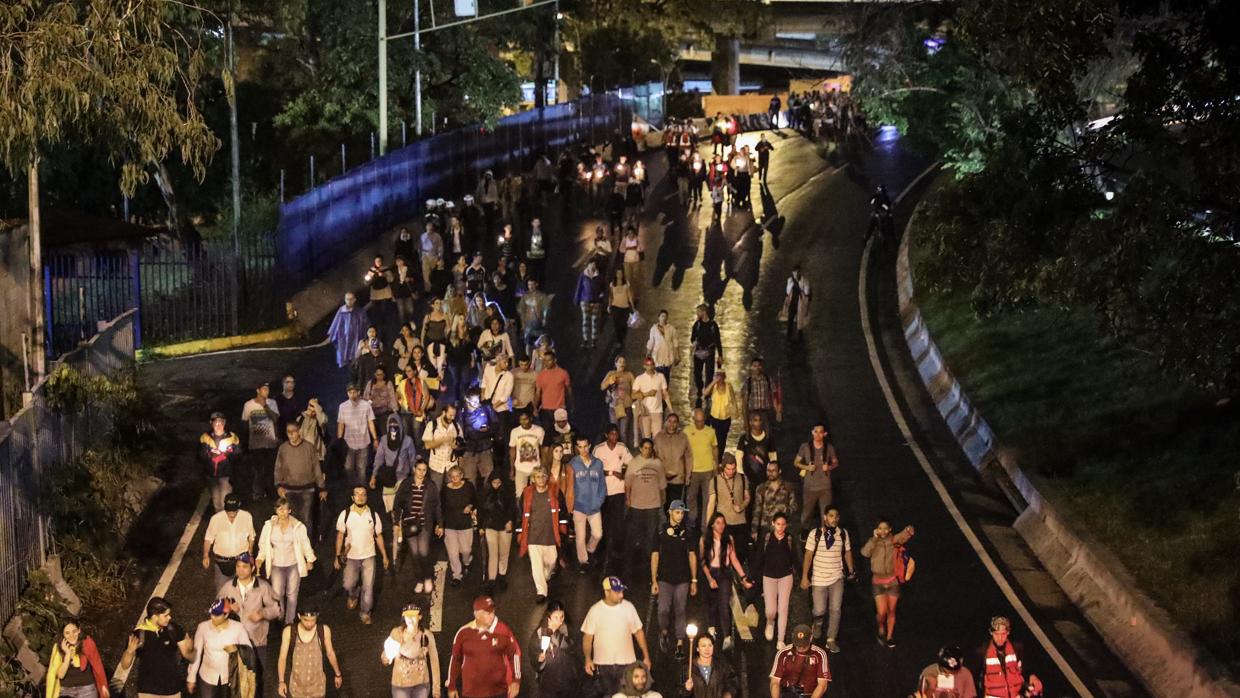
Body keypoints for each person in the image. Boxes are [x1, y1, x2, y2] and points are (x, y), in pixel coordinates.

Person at [216, 552, 281, 692]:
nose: (240, 570)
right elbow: (215, 610)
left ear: (252, 569)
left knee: (257, 678)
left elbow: (277, 609)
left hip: (257, 642)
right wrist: (227, 609)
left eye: (245, 567)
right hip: (235, 643)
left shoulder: (263, 587)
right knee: (234, 680)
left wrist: (262, 613)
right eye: (238, 566)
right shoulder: (228, 587)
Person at [581, 577, 651, 697]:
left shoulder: (629, 607)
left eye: (622, 591)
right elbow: (587, 638)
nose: (621, 595)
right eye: (617, 592)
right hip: (603, 665)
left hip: (626, 663)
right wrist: (588, 658)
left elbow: (638, 632)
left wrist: (646, 656)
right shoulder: (595, 610)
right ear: (607, 592)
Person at [801, 506, 854, 654]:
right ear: (825, 517)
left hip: (837, 577)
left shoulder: (842, 534)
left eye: (836, 516)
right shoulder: (815, 534)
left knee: (835, 609)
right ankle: (817, 623)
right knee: (819, 609)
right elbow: (808, 555)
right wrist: (805, 576)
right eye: (831, 515)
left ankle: (831, 639)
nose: (834, 518)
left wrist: (851, 570)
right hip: (818, 579)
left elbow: (847, 552)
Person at [256, 498, 317, 624]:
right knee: (277, 593)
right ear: (276, 511)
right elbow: (263, 544)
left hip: (293, 564)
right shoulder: (269, 526)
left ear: (290, 510)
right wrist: (260, 558)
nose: (283, 512)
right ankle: (280, 616)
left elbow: (305, 543)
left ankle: (289, 621)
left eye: (285, 509)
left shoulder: (297, 526)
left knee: (292, 594)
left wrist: (309, 559)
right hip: (276, 564)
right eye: (280, 509)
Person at [334, 486, 390, 624]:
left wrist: (384, 555)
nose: (360, 497)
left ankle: (365, 612)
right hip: (351, 557)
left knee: (369, 586)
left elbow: (378, 536)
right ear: (352, 497)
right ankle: (353, 595)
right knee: (348, 584)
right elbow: (340, 536)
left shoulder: (373, 515)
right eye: (357, 494)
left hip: (369, 556)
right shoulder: (345, 514)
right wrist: (337, 556)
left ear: (366, 497)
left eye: (363, 494)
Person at [447, 596, 521, 698]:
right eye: (487, 613)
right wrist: (452, 686)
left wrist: (516, 680)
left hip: (498, 692)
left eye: (493, 612)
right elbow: (455, 659)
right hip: (471, 693)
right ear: (476, 614)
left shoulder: (503, 631)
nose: (492, 616)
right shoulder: (463, 632)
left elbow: (514, 655)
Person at [119, 597, 194, 698]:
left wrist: (194, 646)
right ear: (155, 617)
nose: (169, 617)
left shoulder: (173, 629)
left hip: (172, 690)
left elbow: (188, 654)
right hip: (148, 692)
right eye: (166, 615)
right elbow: (124, 665)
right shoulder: (139, 634)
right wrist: (129, 651)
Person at [699, 512, 753, 651]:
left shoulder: (728, 539)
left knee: (724, 604)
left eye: (723, 523)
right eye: (718, 522)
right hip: (710, 573)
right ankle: (711, 629)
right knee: (712, 604)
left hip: (724, 573)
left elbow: (733, 558)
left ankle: (727, 636)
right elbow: (703, 562)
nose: (721, 525)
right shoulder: (705, 539)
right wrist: (710, 579)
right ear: (712, 524)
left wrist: (743, 577)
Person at [517, 466, 570, 602]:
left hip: (551, 536)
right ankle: (541, 592)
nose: (541, 479)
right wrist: (519, 531)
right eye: (537, 477)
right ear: (533, 479)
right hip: (533, 537)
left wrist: (563, 528)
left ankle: (546, 576)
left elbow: (563, 511)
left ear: (547, 477)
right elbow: (520, 513)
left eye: (543, 476)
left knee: (551, 562)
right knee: (536, 565)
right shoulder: (527, 493)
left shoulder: (555, 492)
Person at [651, 501, 696, 658]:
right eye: (677, 512)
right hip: (665, 578)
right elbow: (655, 554)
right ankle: (663, 630)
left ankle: (679, 643)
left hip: (682, 578)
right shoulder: (661, 531)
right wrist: (654, 580)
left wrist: (694, 580)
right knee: (663, 610)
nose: (680, 515)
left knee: (680, 609)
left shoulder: (687, 532)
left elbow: (692, 555)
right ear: (670, 512)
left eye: (682, 513)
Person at [860, 518, 915, 648]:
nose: (883, 531)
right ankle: (880, 627)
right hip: (877, 582)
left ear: (890, 529)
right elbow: (864, 552)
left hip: (892, 581)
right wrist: (874, 539)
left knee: (891, 610)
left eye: (885, 528)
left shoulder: (894, 540)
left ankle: (889, 636)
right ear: (876, 529)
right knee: (881, 612)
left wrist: (909, 530)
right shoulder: (873, 542)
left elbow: (904, 535)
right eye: (880, 528)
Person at [393, 458, 443, 593]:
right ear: (414, 469)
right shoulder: (406, 484)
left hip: (425, 523)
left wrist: (440, 524)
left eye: (424, 470)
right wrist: (396, 522)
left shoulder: (431, 485)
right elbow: (397, 503)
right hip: (409, 523)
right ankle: (419, 580)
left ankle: (427, 578)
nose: (421, 473)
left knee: (423, 551)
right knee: (414, 553)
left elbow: (437, 505)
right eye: (419, 469)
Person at [275, 600, 342, 698]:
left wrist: (338, 674)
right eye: (306, 620)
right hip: (297, 689)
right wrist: (281, 681)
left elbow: (330, 653)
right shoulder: (289, 632)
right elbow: (282, 658)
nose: (310, 624)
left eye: (313, 620)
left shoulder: (323, 630)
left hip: (317, 688)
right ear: (299, 616)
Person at [187, 598, 252, 698]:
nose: (213, 617)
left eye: (217, 615)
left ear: (226, 614)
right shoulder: (203, 627)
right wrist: (191, 677)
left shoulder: (238, 628)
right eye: (212, 614)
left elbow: (248, 652)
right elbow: (196, 653)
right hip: (208, 677)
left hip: (230, 677)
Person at [752, 514, 799, 649]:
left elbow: (795, 558)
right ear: (773, 523)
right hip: (769, 577)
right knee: (771, 610)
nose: (781, 527)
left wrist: (803, 576)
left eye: (783, 524)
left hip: (786, 576)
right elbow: (759, 558)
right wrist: (751, 577)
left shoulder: (789, 538)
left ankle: (780, 639)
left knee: (783, 608)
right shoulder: (767, 538)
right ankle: (770, 622)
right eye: (778, 524)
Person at [275, 422, 327, 541]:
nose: (291, 434)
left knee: (306, 519)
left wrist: (322, 487)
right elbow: (278, 468)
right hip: (289, 489)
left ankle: (306, 546)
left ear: (299, 431)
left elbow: (316, 468)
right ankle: (292, 546)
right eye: (288, 432)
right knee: (291, 518)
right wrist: (278, 485)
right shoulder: (283, 448)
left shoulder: (309, 447)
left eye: (294, 431)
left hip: (307, 489)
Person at [593, 425, 632, 572]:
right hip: (603, 490)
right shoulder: (599, 449)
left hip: (618, 490)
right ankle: (601, 549)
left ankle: (617, 551)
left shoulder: (622, 448)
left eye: (616, 435)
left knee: (618, 522)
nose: (614, 437)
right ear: (606, 435)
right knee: (603, 521)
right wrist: (611, 472)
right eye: (612, 434)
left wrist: (623, 473)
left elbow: (630, 463)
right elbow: (594, 468)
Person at [624, 438, 666, 574]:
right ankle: (633, 560)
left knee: (652, 533)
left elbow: (662, 484)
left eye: (650, 448)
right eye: (645, 447)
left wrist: (662, 500)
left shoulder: (657, 463)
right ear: (641, 449)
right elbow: (628, 484)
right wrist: (628, 499)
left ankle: (651, 561)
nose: (647, 450)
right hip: (637, 504)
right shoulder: (634, 463)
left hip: (653, 504)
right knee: (636, 532)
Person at [381, 603, 440, 698]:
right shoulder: (397, 633)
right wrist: (386, 658)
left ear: (420, 616)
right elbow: (386, 656)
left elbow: (434, 661)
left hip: (421, 684)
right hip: (400, 684)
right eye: (407, 615)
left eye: (413, 615)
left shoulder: (427, 636)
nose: (410, 618)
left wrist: (436, 689)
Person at [977, 617, 1042, 698]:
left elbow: (1025, 669)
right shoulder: (983, 652)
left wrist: (1032, 676)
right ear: (991, 632)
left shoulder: (1017, 648)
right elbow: (977, 679)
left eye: (1003, 634)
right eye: (996, 634)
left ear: (1008, 632)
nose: (1000, 638)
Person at [202, 493, 255, 591]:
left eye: (234, 510)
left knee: (243, 592)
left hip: (241, 561)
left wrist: (250, 553)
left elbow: (251, 537)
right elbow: (208, 538)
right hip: (222, 562)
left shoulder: (246, 517)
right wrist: (206, 555)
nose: (231, 513)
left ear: (239, 506)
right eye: (228, 510)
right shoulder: (216, 519)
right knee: (222, 593)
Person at [570, 436, 607, 570]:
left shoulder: (598, 463)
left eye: (585, 446)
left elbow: (602, 485)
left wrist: (599, 500)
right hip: (579, 506)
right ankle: (583, 561)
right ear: (576, 448)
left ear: (590, 446)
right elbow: (570, 486)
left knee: (598, 534)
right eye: (580, 447)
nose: (583, 449)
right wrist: (572, 503)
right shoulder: (573, 464)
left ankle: (589, 550)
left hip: (594, 506)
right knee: (580, 537)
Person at [46, 620, 108, 698]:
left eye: (74, 631)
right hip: (66, 691)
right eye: (67, 633)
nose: (72, 636)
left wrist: (103, 688)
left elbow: (98, 667)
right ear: (63, 634)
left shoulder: (87, 643)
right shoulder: (58, 648)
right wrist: (68, 654)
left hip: (87, 690)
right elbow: (60, 675)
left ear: (79, 630)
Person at [531, 601, 581, 698]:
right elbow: (533, 652)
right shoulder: (540, 633)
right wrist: (539, 658)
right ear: (549, 617)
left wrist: (557, 634)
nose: (560, 621)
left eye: (562, 617)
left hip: (567, 679)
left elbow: (572, 648)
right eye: (556, 618)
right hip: (548, 682)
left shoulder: (566, 629)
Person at [793, 424, 838, 530]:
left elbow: (836, 462)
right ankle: (804, 533)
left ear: (824, 434)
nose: (818, 434)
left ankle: (825, 537)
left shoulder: (829, 448)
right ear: (812, 432)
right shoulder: (805, 447)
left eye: (820, 432)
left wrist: (829, 467)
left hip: (825, 487)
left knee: (825, 515)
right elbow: (796, 462)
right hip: (810, 487)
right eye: (816, 431)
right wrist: (807, 467)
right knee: (807, 513)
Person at [371, 414, 417, 516]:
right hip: (389, 479)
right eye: (390, 425)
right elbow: (379, 459)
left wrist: (416, 478)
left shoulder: (407, 440)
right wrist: (373, 476)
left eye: (395, 425)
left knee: (402, 507)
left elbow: (412, 460)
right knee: (392, 508)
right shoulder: (383, 440)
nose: (393, 427)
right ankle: (395, 528)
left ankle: (400, 528)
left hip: (403, 478)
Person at [478, 470, 517, 593]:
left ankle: (501, 576)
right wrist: (480, 527)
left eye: (498, 482)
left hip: (505, 525)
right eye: (494, 482)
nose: (496, 485)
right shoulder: (485, 493)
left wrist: (510, 521)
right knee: (493, 553)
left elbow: (512, 508)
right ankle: (492, 579)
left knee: (504, 552)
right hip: (490, 525)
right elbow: (481, 511)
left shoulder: (508, 493)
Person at [241, 381, 281, 501]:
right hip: (256, 444)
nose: (266, 392)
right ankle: (258, 494)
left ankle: (271, 494)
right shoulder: (248, 405)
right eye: (264, 389)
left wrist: (265, 406)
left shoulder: (272, 403)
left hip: (270, 443)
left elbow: (275, 418)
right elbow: (244, 422)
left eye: (267, 389)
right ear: (258, 390)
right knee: (258, 470)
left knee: (270, 469)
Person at [704, 454, 750, 553]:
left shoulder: (742, 478)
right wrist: (708, 525)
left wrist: (742, 506)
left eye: (733, 469)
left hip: (740, 521)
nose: (731, 472)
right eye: (728, 469)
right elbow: (711, 504)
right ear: (723, 467)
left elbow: (747, 497)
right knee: (724, 552)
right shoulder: (715, 481)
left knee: (740, 551)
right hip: (724, 523)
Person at [768, 625, 830, 698]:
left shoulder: (820, 654)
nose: (800, 647)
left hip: (811, 694)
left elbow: (822, 685)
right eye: (797, 644)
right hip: (788, 694)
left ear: (810, 638)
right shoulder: (783, 653)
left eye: (803, 644)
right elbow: (775, 682)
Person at [441, 465, 478, 587]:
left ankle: (467, 561)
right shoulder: (445, 490)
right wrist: (440, 524)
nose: (455, 479)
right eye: (453, 477)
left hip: (465, 523)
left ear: (462, 476)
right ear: (449, 477)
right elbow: (440, 508)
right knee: (453, 553)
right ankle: (457, 575)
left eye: (458, 476)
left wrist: (470, 506)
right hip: (450, 525)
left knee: (465, 550)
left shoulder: (468, 486)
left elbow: (475, 500)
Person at [337, 383, 378, 489]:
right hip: (348, 442)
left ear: (359, 392)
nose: (352, 395)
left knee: (361, 470)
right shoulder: (343, 406)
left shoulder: (366, 405)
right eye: (350, 393)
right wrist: (339, 441)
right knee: (348, 468)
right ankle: (352, 491)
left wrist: (375, 439)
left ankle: (361, 492)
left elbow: (370, 422)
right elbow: (341, 424)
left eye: (354, 392)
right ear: (347, 393)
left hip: (363, 442)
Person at [200, 412, 242, 513]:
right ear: (211, 423)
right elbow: (200, 455)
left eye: (221, 422)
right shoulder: (205, 437)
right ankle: (219, 521)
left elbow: (238, 455)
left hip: (226, 475)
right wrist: (211, 455)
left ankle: (227, 521)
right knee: (216, 501)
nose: (218, 425)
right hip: (211, 475)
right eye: (216, 422)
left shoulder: (232, 437)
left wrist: (227, 453)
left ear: (224, 423)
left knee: (226, 500)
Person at [682, 409, 717, 529]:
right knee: (691, 497)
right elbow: (684, 451)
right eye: (697, 421)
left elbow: (714, 449)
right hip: (693, 470)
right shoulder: (687, 431)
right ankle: (692, 519)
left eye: (702, 421)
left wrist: (716, 466)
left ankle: (705, 524)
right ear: (693, 420)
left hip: (708, 470)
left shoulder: (711, 432)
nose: (700, 424)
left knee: (707, 499)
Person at [459, 387, 498, 484]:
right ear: (467, 399)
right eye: (474, 401)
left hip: (485, 447)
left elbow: (496, 425)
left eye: (478, 400)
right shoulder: (462, 413)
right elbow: (461, 432)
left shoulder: (486, 408)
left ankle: (489, 497)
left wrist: (487, 430)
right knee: (469, 479)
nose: (477, 403)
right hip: (469, 449)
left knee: (489, 477)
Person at [753, 461, 797, 543]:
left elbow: (794, 506)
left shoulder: (788, 487)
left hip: (783, 527)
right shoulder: (761, 488)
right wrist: (754, 530)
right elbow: (757, 510)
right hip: (766, 527)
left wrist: (783, 509)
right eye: (768, 470)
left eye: (773, 471)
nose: (770, 473)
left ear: (779, 471)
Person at [653, 413, 691, 506]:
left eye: (674, 422)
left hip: (678, 477)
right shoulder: (659, 437)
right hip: (663, 476)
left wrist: (688, 475)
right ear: (666, 422)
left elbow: (688, 456)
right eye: (669, 421)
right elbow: (654, 456)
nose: (672, 424)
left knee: (675, 504)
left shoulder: (683, 437)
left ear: (677, 424)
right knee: (664, 503)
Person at [701, 371, 738, 461]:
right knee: (716, 439)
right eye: (717, 376)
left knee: (723, 439)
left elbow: (733, 400)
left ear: (724, 377)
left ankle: (719, 458)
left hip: (726, 417)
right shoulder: (713, 387)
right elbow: (705, 393)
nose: (719, 378)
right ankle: (715, 458)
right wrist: (713, 382)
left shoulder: (728, 386)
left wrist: (736, 412)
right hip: (715, 417)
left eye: (721, 376)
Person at [422, 404, 461, 489]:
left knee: (451, 492)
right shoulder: (432, 425)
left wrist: (455, 446)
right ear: (444, 413)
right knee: (436, 491)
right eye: (450, 415)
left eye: (454, 415)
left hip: (451, 465)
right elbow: (427, 445)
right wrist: (442, 440)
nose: (453, 418)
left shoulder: (456, 426)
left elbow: (461, 444)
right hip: (436, 465)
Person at [736, 414, 776, 496]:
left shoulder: (769, 438)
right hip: (748, 478)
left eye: (760, 420)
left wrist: (772, 474)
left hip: (764, 478)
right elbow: (738, 457)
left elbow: (773, 458)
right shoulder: (744, 438)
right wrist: (741, 475)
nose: (758, 423)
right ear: (750, 422)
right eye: (755, 420)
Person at [508, 410, 546, 497]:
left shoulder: (539, 430)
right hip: (520, 468)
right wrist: (512, 468)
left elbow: (543, 449)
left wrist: (543, 466)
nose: (523, 422)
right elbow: (512, 450)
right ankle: (520, 510)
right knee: (520, 494)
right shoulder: (515, 431)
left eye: (525, 419)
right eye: (521, 420)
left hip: (536, 468)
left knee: (537, 494)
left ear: (531, 419)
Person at [690, 305, 722, 405]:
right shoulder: (697, 324)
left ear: (704, 312)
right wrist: (694, 342)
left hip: (709, 352)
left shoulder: (713, 325)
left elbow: (718, 341)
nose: (697, 314)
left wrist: (720, 355)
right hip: (699, 352)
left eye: (698, 312)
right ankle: (700, 388)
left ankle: (707, 395)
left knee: (709, 374)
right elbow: (692, 338)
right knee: (697, 373)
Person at [601, 357, 636, 446]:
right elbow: (602, 387)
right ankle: (614, 451)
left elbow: (636, 387)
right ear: (616, 363)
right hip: (614, 406)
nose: (622, 363)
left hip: (626, 406)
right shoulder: (611, 373)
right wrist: (610, 381)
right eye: (620, 361)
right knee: (614, 431)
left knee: (624, 432)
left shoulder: (629, 375)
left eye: (624, 361)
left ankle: (624, 452)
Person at [632, 358, 669, 441]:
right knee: (646, 438)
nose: (650, 367)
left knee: (657, 438)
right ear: (644, 366)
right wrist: (647, 394)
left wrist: (671, 410)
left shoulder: (660, 376)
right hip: (645, 412)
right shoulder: (639, 379)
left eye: (652, 364)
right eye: (648, 365)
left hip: (657, 412)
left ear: (654, 365)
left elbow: (665, 394)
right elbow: (633, 395)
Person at [328, 293, 368, 369]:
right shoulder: (341, 311)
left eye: (351, 299)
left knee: (356, 354)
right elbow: (336, 323)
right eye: (347, 299)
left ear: (354, 300)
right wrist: (333, 334)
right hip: (344, 337)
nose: (349, 301)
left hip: (356, 336)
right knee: (345, 351)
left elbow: (365, 323)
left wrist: (365, 335)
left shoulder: (360, 311)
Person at [534, 351, 572, 427]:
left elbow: (569, 391)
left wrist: (570, 405)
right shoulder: (541, 375)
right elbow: (538, 393)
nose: (546, 362)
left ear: (555, 360)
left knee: (560, 433)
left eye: (549, 360)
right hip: (545, 410)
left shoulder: (563, 373)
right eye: (545, 360)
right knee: (547, 433)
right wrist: (535, 408)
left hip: (560, 408)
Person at [742, 359, 780, 430]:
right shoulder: (748, 382)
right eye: (755, 366)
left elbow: (774, 397)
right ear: (751, 367)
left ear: (761, 367)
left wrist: (778, 411)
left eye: (759, 366)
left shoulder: (768, 380)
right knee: (754, 436)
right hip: (753, 413)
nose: (757, 368)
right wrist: (745, 420)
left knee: (767, 435)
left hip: (765, 413)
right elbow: (744, 402)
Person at [575, 260, 605, 349]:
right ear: (588, 265)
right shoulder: (583, 276)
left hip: (596, 302)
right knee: (585, 320)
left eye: (594, 264)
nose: (592, 266)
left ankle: (593, 340)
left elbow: (603, 288)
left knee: (595, 321)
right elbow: (579, 287)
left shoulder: (599, 276)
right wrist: (577, 299)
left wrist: (600, 299)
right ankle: (585, 340)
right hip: (585, 300)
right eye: (591, 264)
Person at [645, 310, 679, 385]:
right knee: (656, 377)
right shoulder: (654, 328)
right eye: (662, 316)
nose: (664, 318)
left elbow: (675, 342)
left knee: (666, 378)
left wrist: (677, 355)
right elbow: (651, 341)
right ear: (659, 317)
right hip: (657, 356)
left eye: (665, 316)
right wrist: (648, 353)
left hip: (668, 356)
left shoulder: (671, 329)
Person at [607, 268, 636, 348]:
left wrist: (632, 306)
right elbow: (610, 296)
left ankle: (622, 337)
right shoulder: (612, 284)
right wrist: (609, 306)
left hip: (625, 307)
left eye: (620, 273)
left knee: (624, 324)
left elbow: (629, 295)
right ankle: (619, 340)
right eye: (618, 273)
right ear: (615, 274)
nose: (619, 275)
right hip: (615, 307)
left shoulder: (626, 283)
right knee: (617, 325)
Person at [782, 266, 810, 342]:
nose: (796, 274)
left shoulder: (804, 281)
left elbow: (807, 293)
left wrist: (806, 304)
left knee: (800, 319)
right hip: (792, 301)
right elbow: (788, 292)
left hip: (800, 302)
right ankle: (789, 335)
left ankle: (799, 336)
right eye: (795, 272)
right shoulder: (790, 281)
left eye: (797, 272)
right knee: (790, 317)